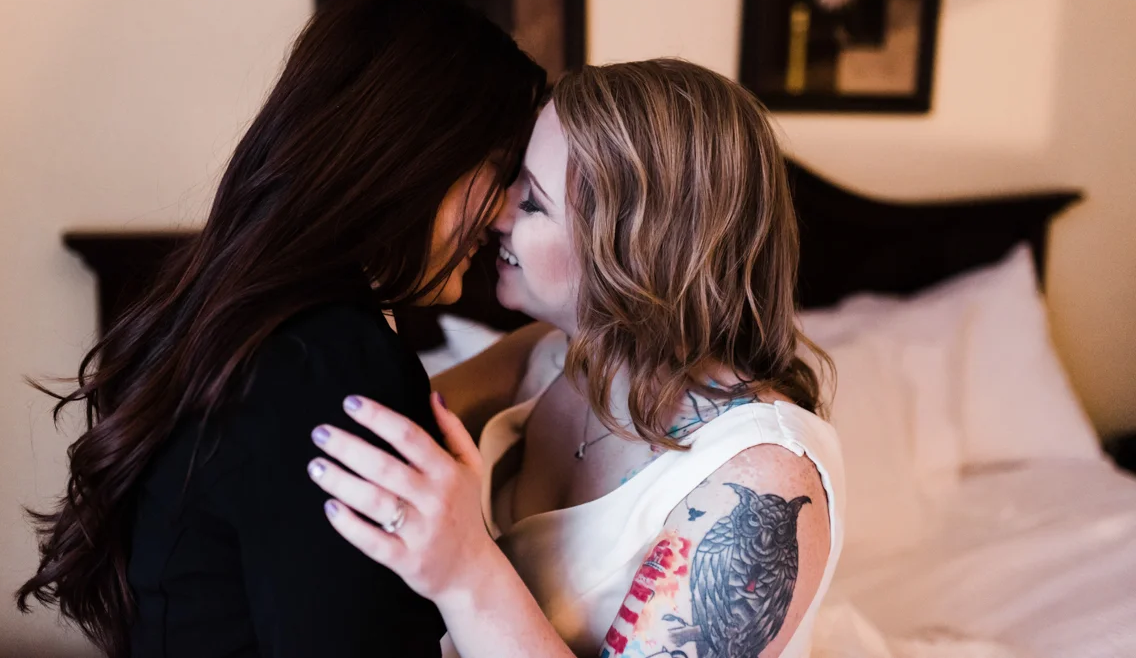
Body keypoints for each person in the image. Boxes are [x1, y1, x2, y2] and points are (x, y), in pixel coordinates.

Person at [16, 0, 549, 658]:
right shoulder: (334, 361)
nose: (504, 214)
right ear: (411, 154)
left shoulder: (232, 321)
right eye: (500, 170)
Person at [306, 59, 845, 658]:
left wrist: (465, 572)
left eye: (532, 203)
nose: (497, 214)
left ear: (639, 249)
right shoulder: (551, 357)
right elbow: (355, 431)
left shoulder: (762, 478)